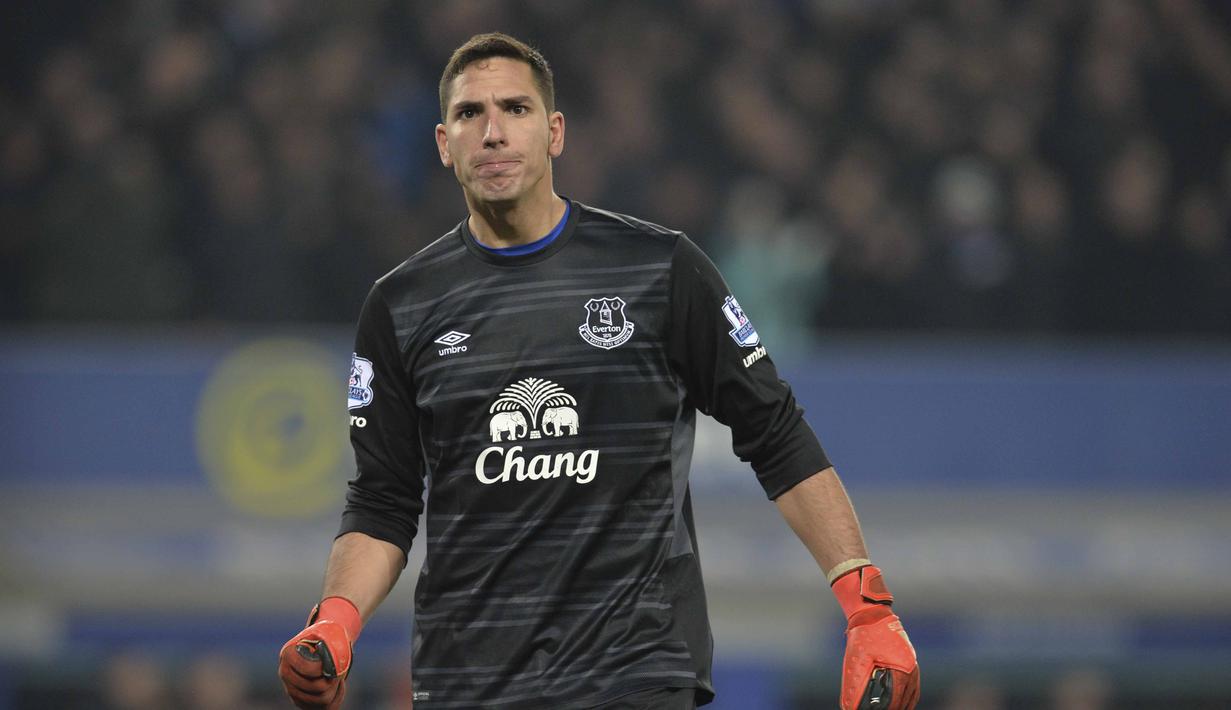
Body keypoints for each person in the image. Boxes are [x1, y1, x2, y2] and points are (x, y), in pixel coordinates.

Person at [277, 32, 919, 710]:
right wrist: (336, 623)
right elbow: (383, 499)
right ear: (443, 143)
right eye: (470, 114)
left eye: (515, 109)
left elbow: (775, 432)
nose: (492, 132)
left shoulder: (659, 270)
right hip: (467, 682)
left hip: (632, 675)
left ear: (554, 132)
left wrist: (866, 605)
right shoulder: (402, 306)